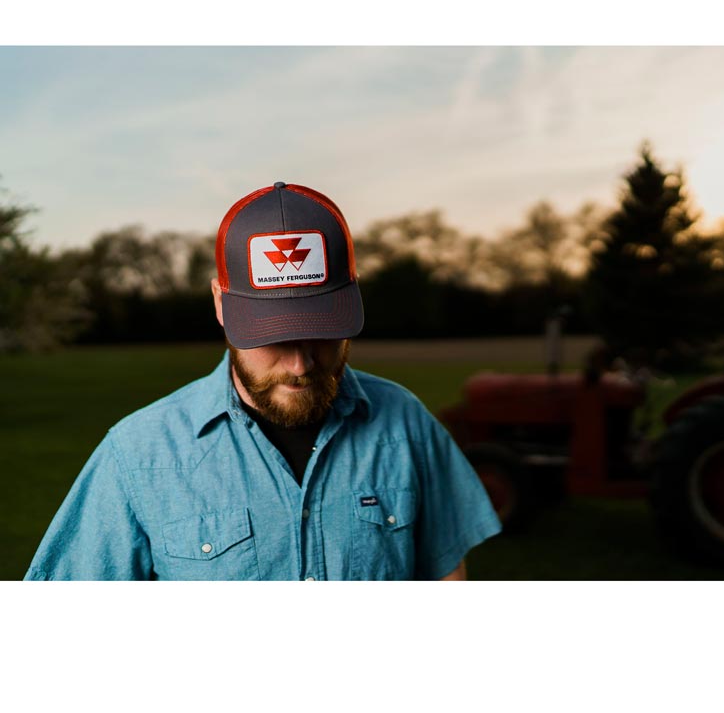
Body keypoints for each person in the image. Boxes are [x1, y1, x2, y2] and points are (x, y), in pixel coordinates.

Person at [24, 182, 501, 580]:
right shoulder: (138, 455)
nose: (300, 364)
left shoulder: (405, 423)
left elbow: (447, 577)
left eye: (320, 333)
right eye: (271, 337)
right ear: (220, 303)